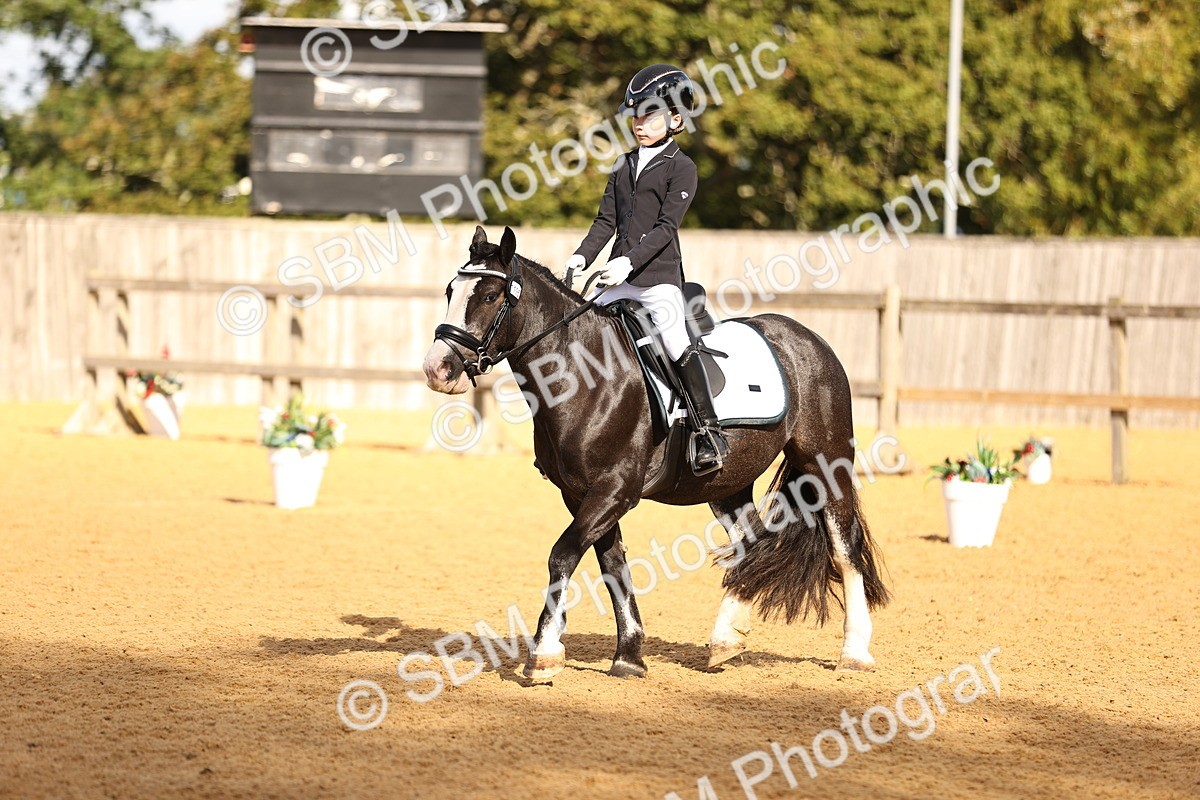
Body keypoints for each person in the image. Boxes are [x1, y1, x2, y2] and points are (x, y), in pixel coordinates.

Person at [562, 64, 729, 475]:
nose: (639, 123)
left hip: (657, 282)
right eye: (635, 115)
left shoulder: (681, 167)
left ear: (675, 119)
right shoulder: (622, 165)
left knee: (675, 343)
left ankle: (709, 432)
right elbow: (606, 222)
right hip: (616, 281)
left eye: (649, 115)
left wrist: (627, 262)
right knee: (578, 334)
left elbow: (665, 228)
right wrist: (582, 256)